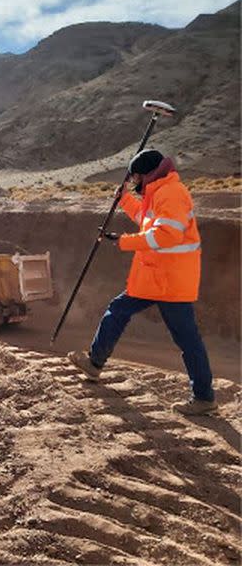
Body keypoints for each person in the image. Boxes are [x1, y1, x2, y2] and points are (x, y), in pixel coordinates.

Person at [67, 149, 217, 416]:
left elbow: (166, 236)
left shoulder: (171, 193)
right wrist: (125, 199)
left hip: (170, 281)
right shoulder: (159, 192)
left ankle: (204, 397)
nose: (133, 180)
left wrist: (123, 241)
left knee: (187, 339)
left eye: (135, 176)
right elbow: (146, 219)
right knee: (118, 310)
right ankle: (94, 363)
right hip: (156, 276)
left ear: (146, 174)